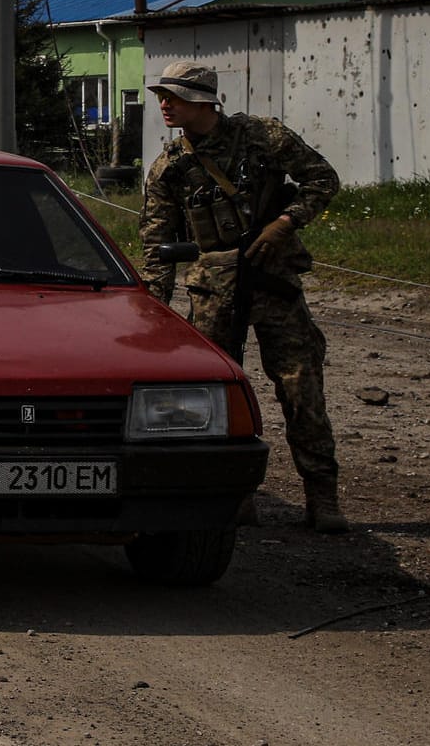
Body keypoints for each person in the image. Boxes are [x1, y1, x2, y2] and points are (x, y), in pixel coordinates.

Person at [139, 61, 348, 533]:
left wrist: (286, 222)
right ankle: (234, 496)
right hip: (213, 292)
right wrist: (155, 315)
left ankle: (322, 494)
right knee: (216, 399)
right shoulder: (170, 168)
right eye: (161, 96)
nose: (164, 105)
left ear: (204, 100)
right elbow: (156, 247)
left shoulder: (261, 137)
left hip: (273, 283)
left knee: (301, 387)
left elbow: (322, 179)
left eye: (173, 96)